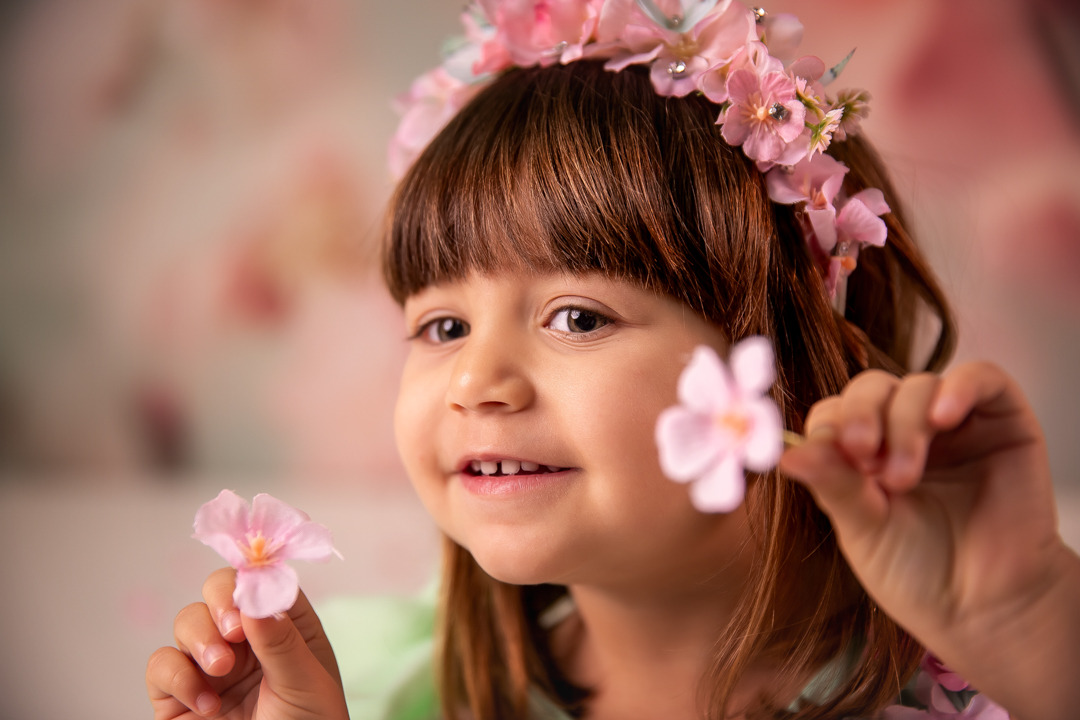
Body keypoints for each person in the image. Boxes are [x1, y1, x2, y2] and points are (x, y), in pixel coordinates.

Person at [146, 2, 1080, 718]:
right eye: (442, 328)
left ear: (791, 362)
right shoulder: (392, 688)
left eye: (578, 318)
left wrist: (1032, 628)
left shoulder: (994, 682)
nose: (476, 383)